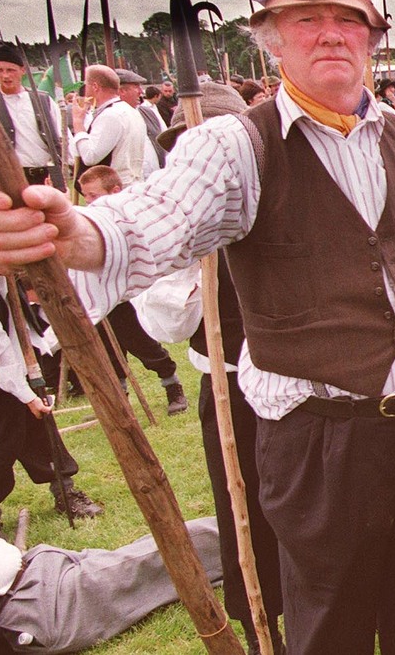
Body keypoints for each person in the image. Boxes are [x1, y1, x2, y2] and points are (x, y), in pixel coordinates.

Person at [0, 0, 395, 655]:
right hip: (323, 443)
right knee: (330, 629)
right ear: (272, 38)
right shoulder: (237, 146)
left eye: (348, 21)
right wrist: (76, 233)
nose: (330, 36)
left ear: (372, 37)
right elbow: (153, 220)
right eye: (307, 20)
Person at [132, 87, 286, 654]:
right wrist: (196, 265)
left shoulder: (282, 199)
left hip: (303, 387)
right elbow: (164, 323)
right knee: (242, 507)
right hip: (228, 387)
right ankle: (261, 620)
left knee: (311, 511)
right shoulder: (181, 221)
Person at [0, 518, 223, 654]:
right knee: (156, 557)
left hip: (37, 564)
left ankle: (245, 540)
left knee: (143, 556)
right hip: (40, 606)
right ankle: (250, 536)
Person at [0, 276, 104, 535]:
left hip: (20, 368)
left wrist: (34, 370)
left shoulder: (6, 278)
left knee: (41, 430)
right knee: (0, 443)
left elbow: (28, 329)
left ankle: (65, 490)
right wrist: (26, 394)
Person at [77, 165, 188, 416]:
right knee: (105, 348)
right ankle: (118, 398)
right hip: (101, 295)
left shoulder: (128, 216)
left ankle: (171, 384)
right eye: (86, 196)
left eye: (94, 195)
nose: (88, 201)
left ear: (115, 191)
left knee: (138, 341)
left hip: (125, 293)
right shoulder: (91, 217)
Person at [0, 44, 63, 190]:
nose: (5, 76)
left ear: (22, 70)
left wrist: (62, 170)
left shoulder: (44, 100)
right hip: (9, 178)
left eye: (10, 70)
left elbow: (61, 138)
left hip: (47, 175)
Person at [65, 65, 152, 185]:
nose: (84, 89)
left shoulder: (110, 115)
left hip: (116, 189)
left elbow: (90, 156)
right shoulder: (129, 110)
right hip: (129, 185)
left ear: (95, 86)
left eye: (86, 84)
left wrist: (78, 123)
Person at [114, 69, 167, 172]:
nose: (141, 92)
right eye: (135, 86)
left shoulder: (149, 112)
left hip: (157, 175)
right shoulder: (112, 117)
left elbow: (165, 138)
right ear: (121, 91)